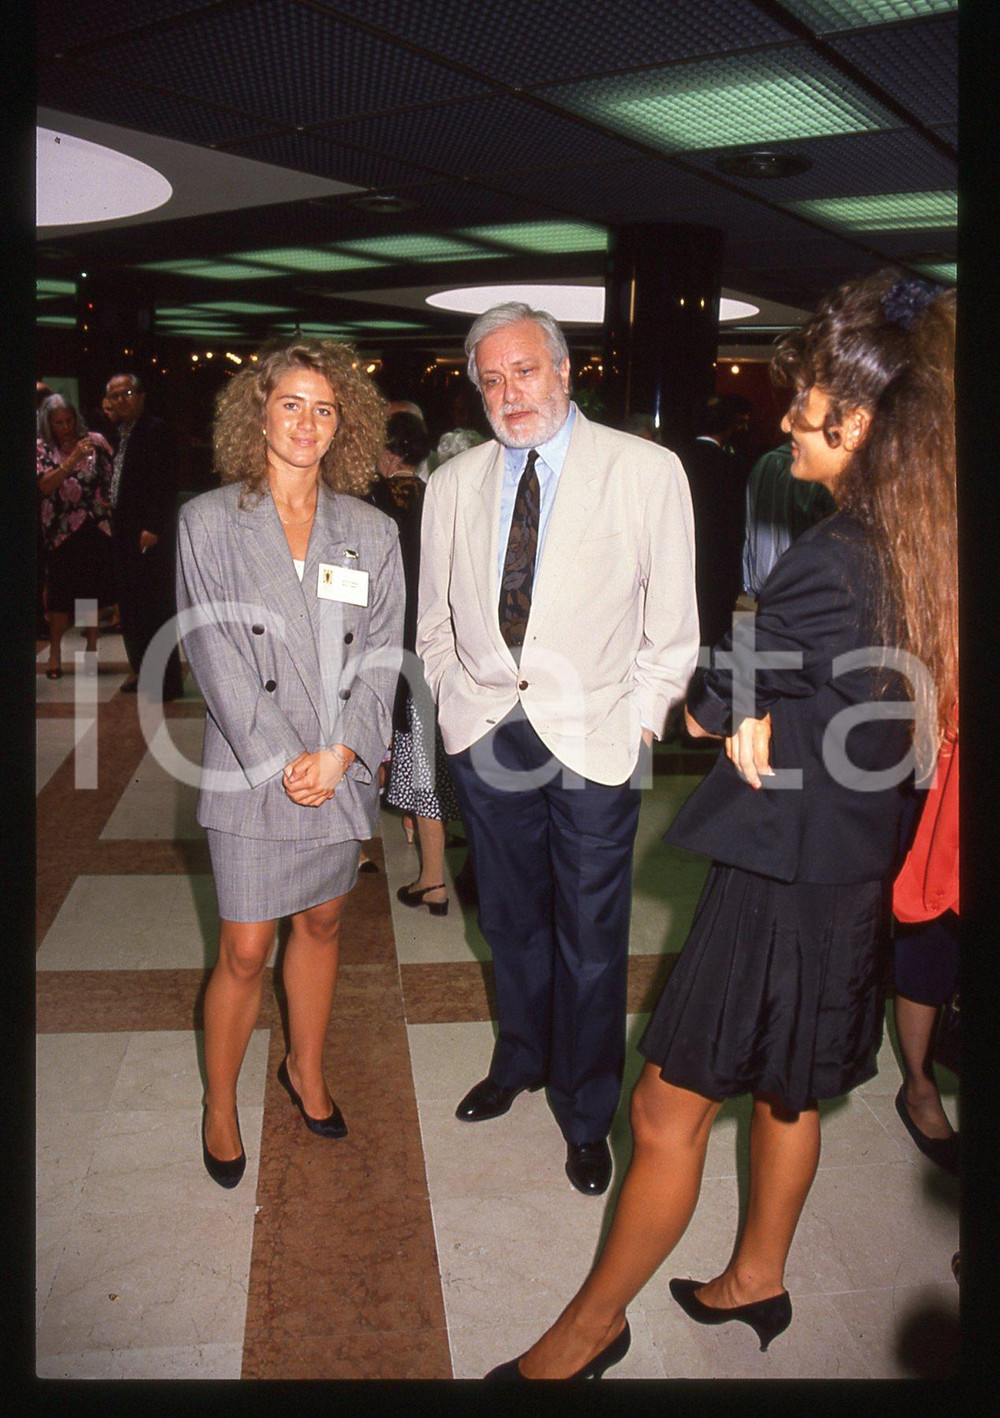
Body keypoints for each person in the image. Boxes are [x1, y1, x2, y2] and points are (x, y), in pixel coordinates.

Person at [484, 271, 956, 1379]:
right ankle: (757, 1276)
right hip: (851, 867)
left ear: (861, 422)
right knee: (790, 1085)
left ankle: (588, 1331)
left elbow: (703, 699)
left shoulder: (828, 561)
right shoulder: (929, 538)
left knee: (664, 1109)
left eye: (803, 408)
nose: (784, 421)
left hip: (780, 874)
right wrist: (774, 708)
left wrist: (741, 704)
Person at [417, 301, 698, 1197]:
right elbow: (432, 622)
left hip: (596, 741)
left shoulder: (644, 470)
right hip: (487, 732)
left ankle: (585, 1111)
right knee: (505, 921)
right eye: (491, 379)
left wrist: (643, 722)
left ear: (566, 371)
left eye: (525, 370)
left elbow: (675, 625)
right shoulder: (451, 484)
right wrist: (453, 701)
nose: (510, 392)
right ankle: (519, 1061)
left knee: (589, 938)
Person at [175, 339, 404, 1187]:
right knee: (242, 949)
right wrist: (285, 760)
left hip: (338, 764)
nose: (307, 423)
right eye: (291, 404)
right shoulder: (209, 522)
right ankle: (219, 1104)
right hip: (252, 767)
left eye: (325, 408)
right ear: (257, 412)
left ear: (345, 424)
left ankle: (305, 1070)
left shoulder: (372, 531)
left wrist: (343, 751)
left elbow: (383, 653)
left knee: (322, 924)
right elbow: (212, 649)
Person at [371, 412, 461, 914]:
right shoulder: (438, 501)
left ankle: (417, 874)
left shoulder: (367, 506)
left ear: (385, 454)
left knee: (372, 755)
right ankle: (433, 878)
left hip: (381, 651)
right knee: (425, 762)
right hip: (432, 651)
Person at [105, 372, 184, 700]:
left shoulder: (154, 430)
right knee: (133, 608)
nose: (121, 401)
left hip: (147, 535)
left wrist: (153, 526)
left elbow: (165, 483)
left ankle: (164, 684)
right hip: (124, 532)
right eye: (115, 396)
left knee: (153, 609)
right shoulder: (124, 432)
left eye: (127, 394)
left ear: (141, 396)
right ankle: (142, 670)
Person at [36, 394, 116, 678]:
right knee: (59, 595)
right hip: (60, 530)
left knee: (90, 593)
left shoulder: (94, 440)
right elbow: (45, 486)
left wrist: (109, 504)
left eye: (70, 420)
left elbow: (112, 475)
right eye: (59, 422)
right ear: (48, 424)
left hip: (93, 525)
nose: (66, 427)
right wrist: (72, 460)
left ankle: (91, 652)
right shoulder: (42, 448)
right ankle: (55, 654)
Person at [681, 393, 753, 648]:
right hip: (718, 572)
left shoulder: (675, 460)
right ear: (728, 428)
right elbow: (738, 527)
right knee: (713, 643)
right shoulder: (733, 467)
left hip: (679, 565)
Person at [740, 441, 836, 604]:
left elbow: (749, 534)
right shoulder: (819, 473)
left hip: (753, 594)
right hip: (799, 600)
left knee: (744, 628)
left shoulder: (764, 463)